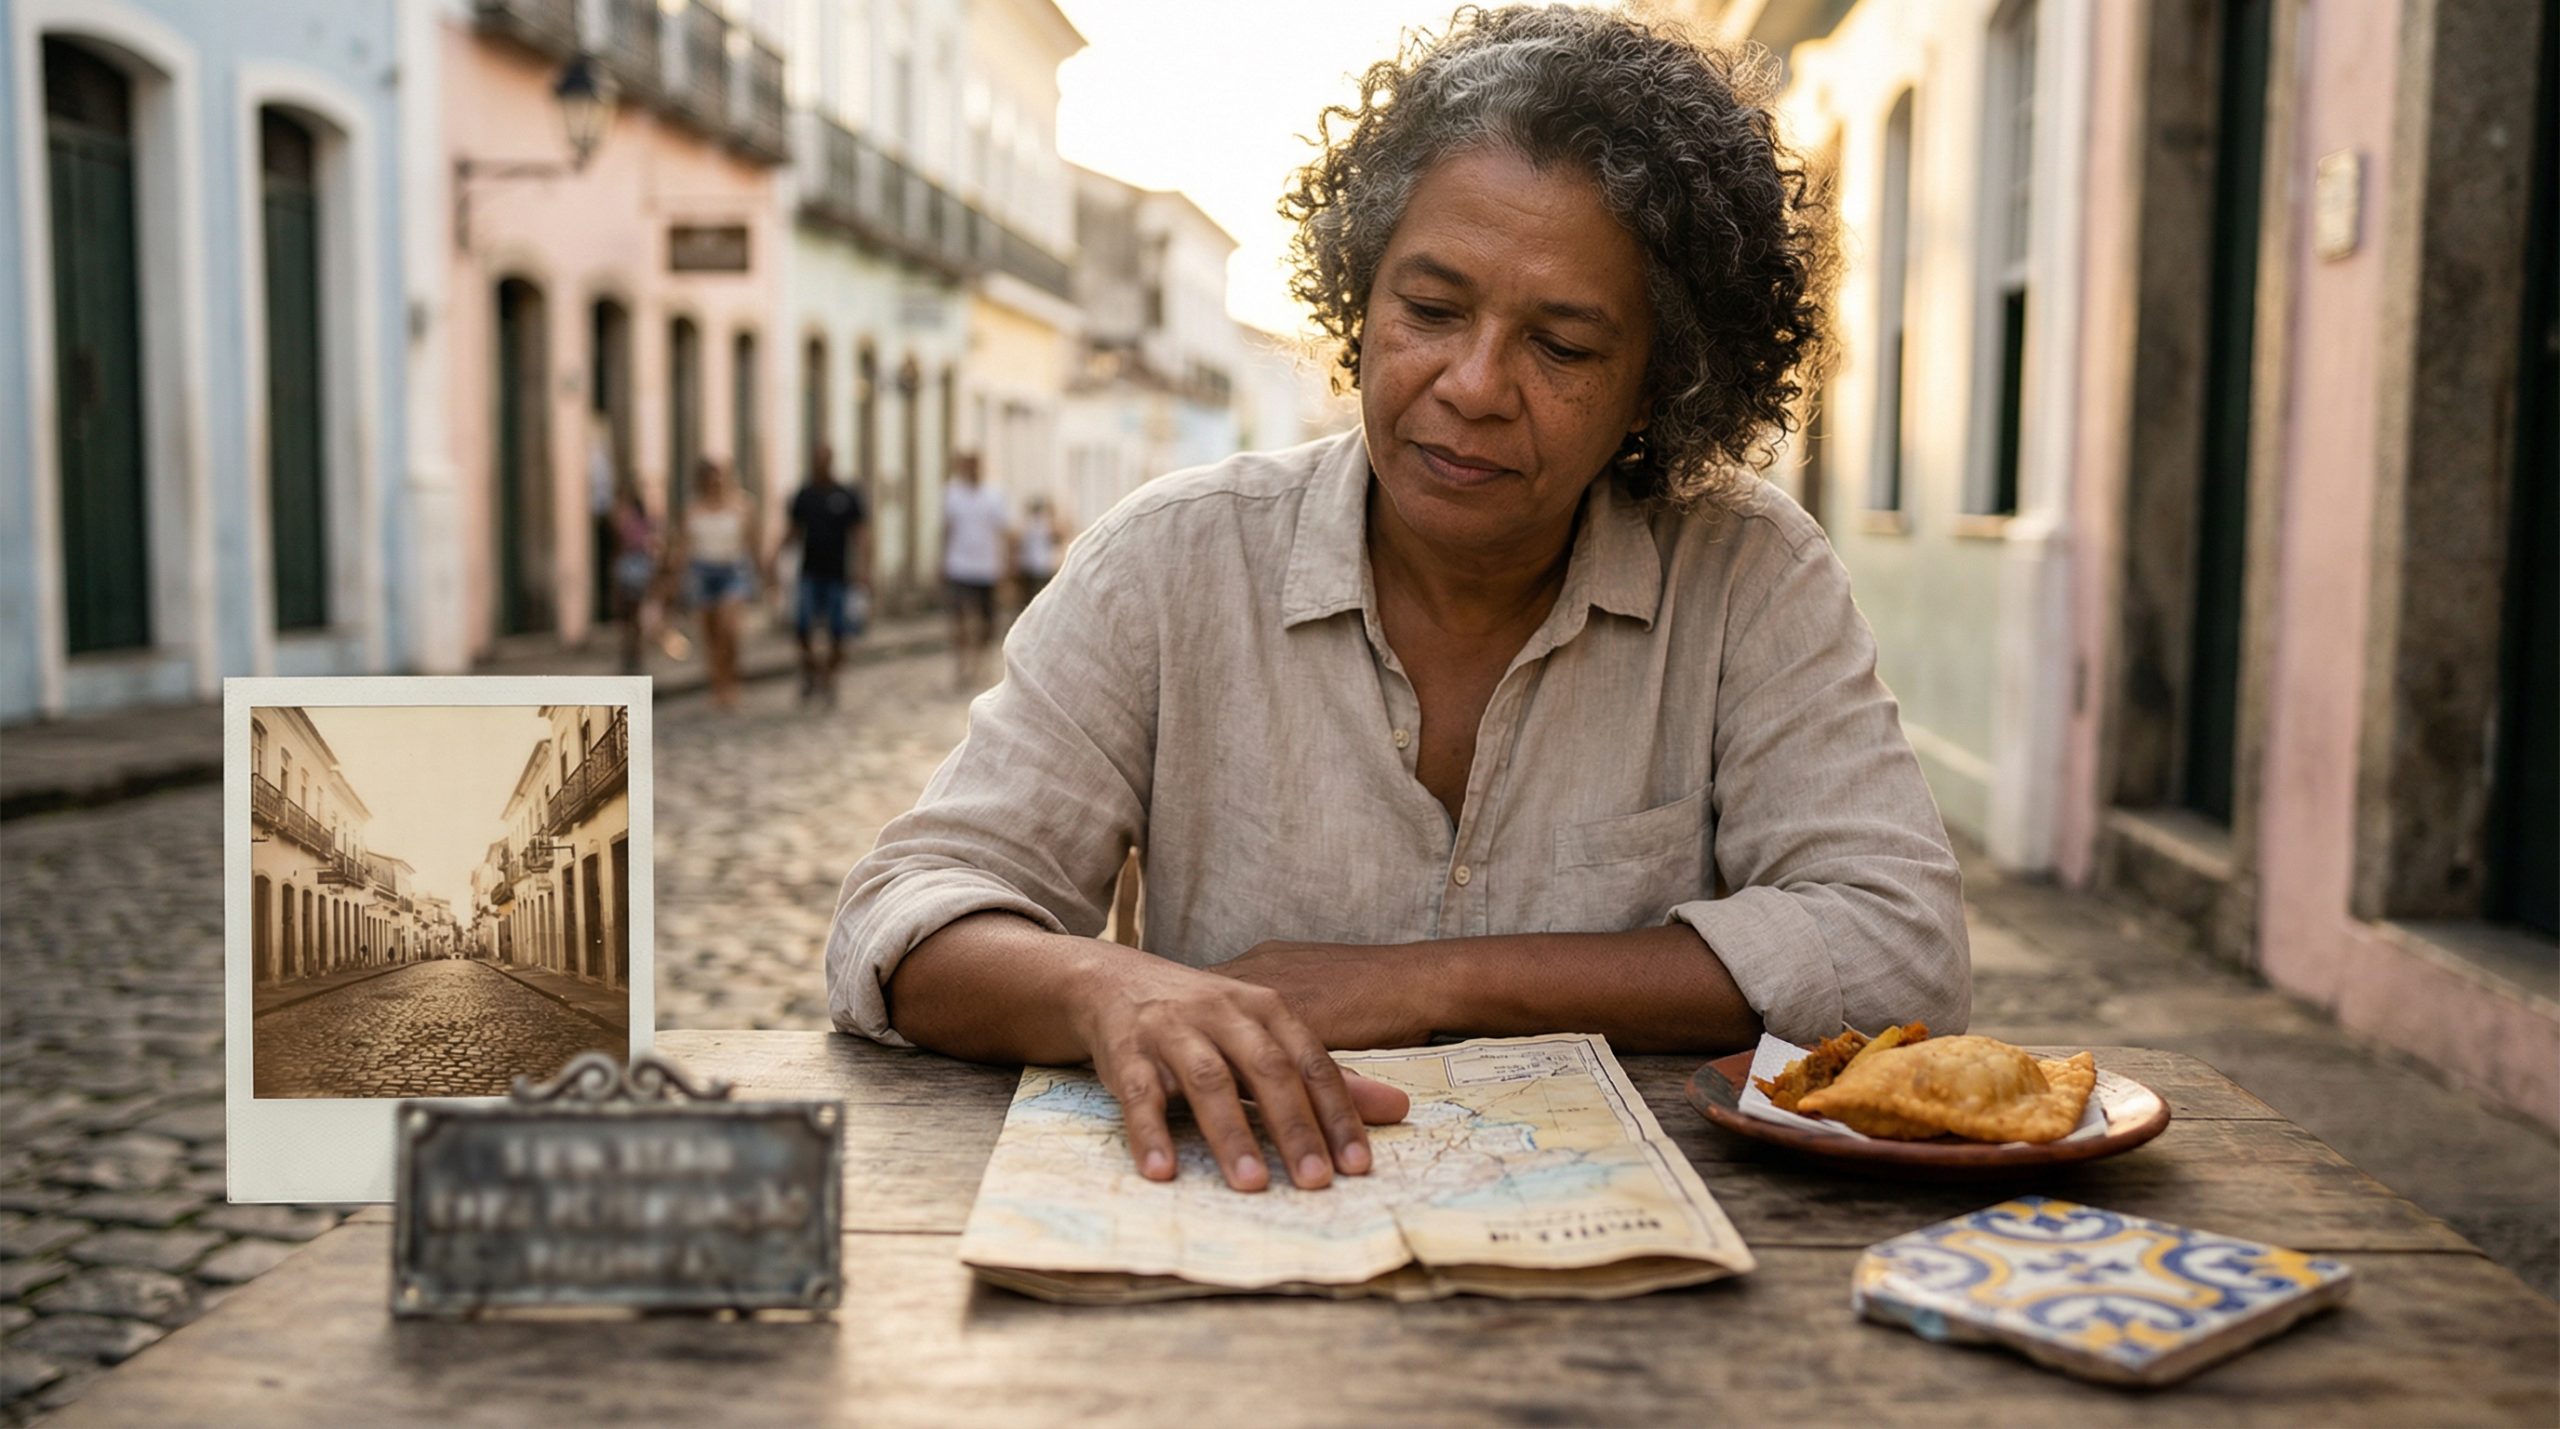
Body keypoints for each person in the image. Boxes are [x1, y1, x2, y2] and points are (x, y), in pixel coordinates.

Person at [826, 6, 1964, 1196]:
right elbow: (899, 921)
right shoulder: (1169, 562)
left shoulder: (1746, 576)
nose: (1472, 385)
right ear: (1359, 300)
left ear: (1660, 385)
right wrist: (1109, 989)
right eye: (1429, 309)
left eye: (1562, 347)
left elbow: (1902, 953)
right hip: (1238, 1237)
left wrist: (1427, 980)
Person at [775, 443, 870, 706]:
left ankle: (829, 677)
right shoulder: (805, 495)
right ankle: (811, 669)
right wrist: (774, 557)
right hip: (810, 573)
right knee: (802, 627)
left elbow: (860, 534)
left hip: (838, 574)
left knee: (839, 631)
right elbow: (793, 530)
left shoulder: (845, 495)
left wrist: (864, 569)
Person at [668, 458, 753, 710]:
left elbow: (750, 541)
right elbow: (684, 546)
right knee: (710, 635)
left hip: (732, 570)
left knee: (729, 629)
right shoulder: (693, 509)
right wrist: (674, 578)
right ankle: (719, 684)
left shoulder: (742, 506)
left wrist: (763, 572)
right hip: (702, 572)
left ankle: (732, 677)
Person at [939, 452, 1008, 690]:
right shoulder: (951, 494)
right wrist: (943, 561)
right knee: (959, 617)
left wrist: (1005, 564)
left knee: (986, 620)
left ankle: (981, 662)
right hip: (959, 566)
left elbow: (1002, 531)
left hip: (987, 567)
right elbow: (946, 529)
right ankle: (962, 663)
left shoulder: (994, 495)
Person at [608, 479, 660, 675]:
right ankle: (631, 653)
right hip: (633, 566)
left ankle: (633, 653)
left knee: (632, 614)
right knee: (630, 614)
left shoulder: (629, 519)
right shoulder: (629, 518)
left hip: (634, 566)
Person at [1012, 494, 1068, 617]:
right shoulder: (1042, 524)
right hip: (1038, 565)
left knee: (1032, 597)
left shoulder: (1030, 524)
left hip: (1034, 565)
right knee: (1039, 596)